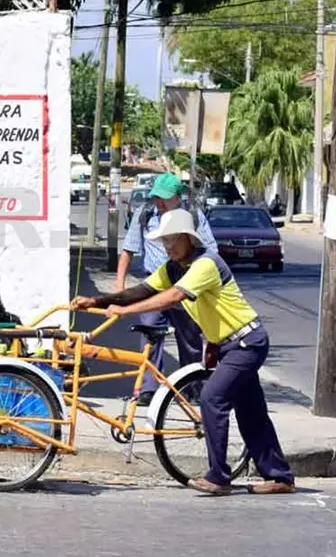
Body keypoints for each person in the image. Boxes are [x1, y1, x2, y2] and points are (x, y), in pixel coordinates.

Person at [72, 208, 296, 496]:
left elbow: (173, 296)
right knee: (251, 412)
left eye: (173, 240)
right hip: (229, 345)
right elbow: (141, 290)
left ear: (189, 238)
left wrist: (126, 312)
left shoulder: (206, 264)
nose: (168, 246)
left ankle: (218, 477)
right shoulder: (172, 267)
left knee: (212, 398)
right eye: (164, 241)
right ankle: (280, 477)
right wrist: (96, 301)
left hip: (246, 342)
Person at [117, 172, 216, 405]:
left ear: (177, 197)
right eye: (156, 198)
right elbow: (128, 250)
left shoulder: (193, 216)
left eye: (164, 198)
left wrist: (201, 281)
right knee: (149, 331)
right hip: (155, 283)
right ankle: (148, 389)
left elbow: (212, 250)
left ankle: (192, 387)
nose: (159, 203)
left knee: (189, 337)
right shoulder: (145, 214)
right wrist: (119, 288)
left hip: (186, 284)